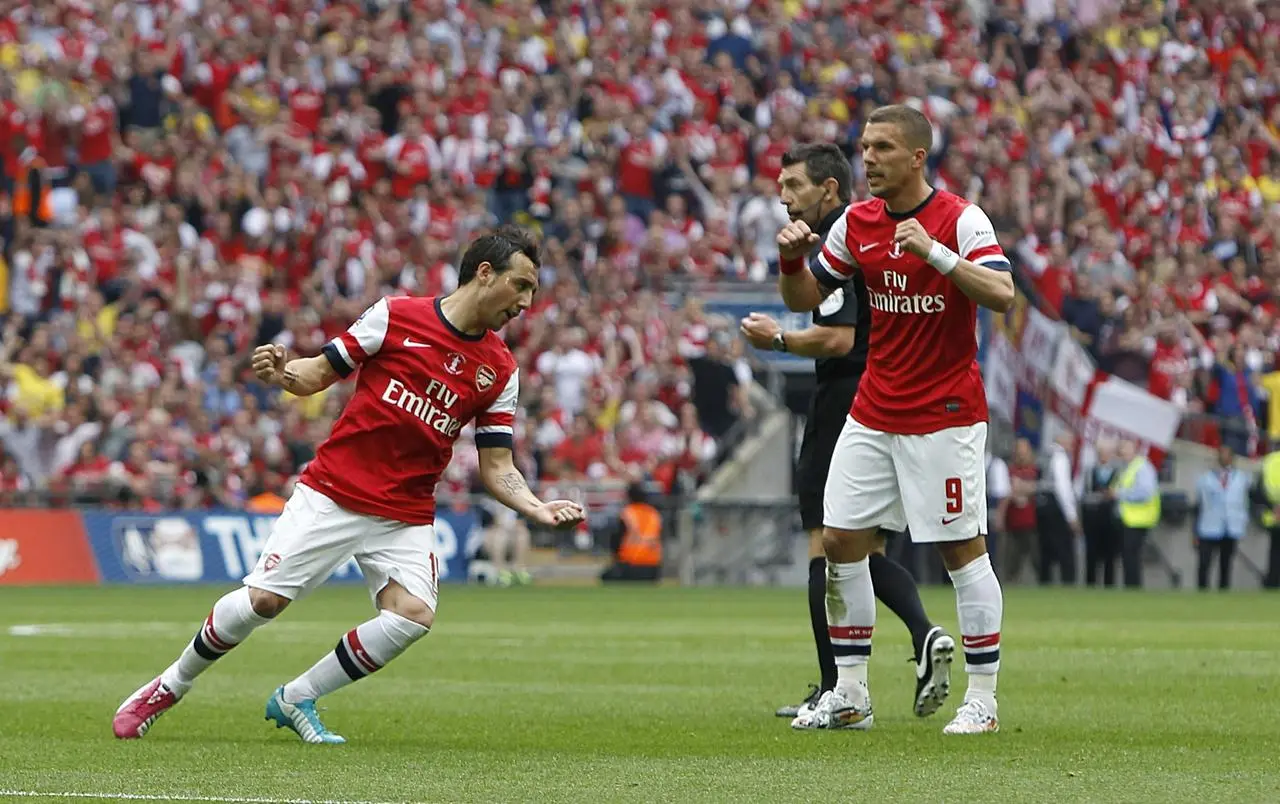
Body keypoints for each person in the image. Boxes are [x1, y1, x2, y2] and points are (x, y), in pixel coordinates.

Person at [112, 226, 587, 744]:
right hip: (334, 493)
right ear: (485, 273)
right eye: (521, 286)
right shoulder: (396, 316)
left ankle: (297, 697)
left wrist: (536, 507)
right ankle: (169, 685)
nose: (526, 302)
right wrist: (281, 373)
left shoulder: (499, 370)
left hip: (404, 512)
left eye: (532, 292)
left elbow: (497, 466)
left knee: (412, 616)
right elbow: (315, 375)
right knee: (264, 602)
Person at [775, 104, 1015, 735]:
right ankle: (851, 693)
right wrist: (790, 261)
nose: (868, 158)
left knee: (962, 553)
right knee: (839, 542)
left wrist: (935, 254)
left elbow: (1001, 293)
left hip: (944, 414)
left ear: (917, 157)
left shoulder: (961, 219)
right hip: (874, 409)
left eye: (881, 147)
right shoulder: (857, 223)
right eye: (864, 146)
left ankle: (983, 701)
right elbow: (808, 299)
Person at [739, 143, 951, 722]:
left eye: (794, 186)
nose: (783, 198)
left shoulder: (841, 238)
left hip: (845, 400)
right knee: (866, 546)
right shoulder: (870, 231)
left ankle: (838, 687)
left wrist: (776, 338)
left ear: (828, 190)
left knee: (824, 542)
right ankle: (923, 635)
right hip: (884, 396)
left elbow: (835, 337)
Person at [1192, 446, 1249, 591]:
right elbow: (1198, 505)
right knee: (1204, 562)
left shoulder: (1242, 479)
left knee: (1226, 563)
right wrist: (1194, 531)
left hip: (1231, 526)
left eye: (1227, 455)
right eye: (1221, 455)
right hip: (1208, 525)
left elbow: (1246, 502)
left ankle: (1224, 591)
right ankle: (1202, 591)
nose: (1224, 458)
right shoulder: (1205, 478)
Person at [1109, 439, 1160, 589]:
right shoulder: (1128, 467)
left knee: (1131, 556)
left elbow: (1145, 493)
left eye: (1125, 448)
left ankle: (1133, 588)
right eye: (1121, 448)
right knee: (1128, 556)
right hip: (1129, 518)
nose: (1122, 452)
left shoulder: (1142, 467)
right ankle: (1130, 587)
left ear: (1135, 450)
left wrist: (1119, 494)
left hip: (1138, 519)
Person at [600, 482, 663, 582]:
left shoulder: (627, 512)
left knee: (606, 577)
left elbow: (616, 538)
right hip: (653, 568)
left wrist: (615, 558)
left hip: (630, 564)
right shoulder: (654, 514)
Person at [1038, 433, 1080, 585]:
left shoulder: (1045, 455)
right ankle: (1068, 582)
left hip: (1042, 505)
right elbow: (1063, 488)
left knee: (1046, 549)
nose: (1072, 445)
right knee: (1064, 548)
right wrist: (1071, 515)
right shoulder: (1060, 457)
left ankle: (1045, 581)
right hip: (1056, 507)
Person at [1081, 439, 1120, 587]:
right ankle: (1090, 583)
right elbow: (1084, 493)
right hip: (1093, 516)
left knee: (1110, 554)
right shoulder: (1090, 471)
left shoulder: (1118, 472)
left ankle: (1109, 584)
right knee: (1091, 553)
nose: (1104, 456)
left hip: (1110, 517)